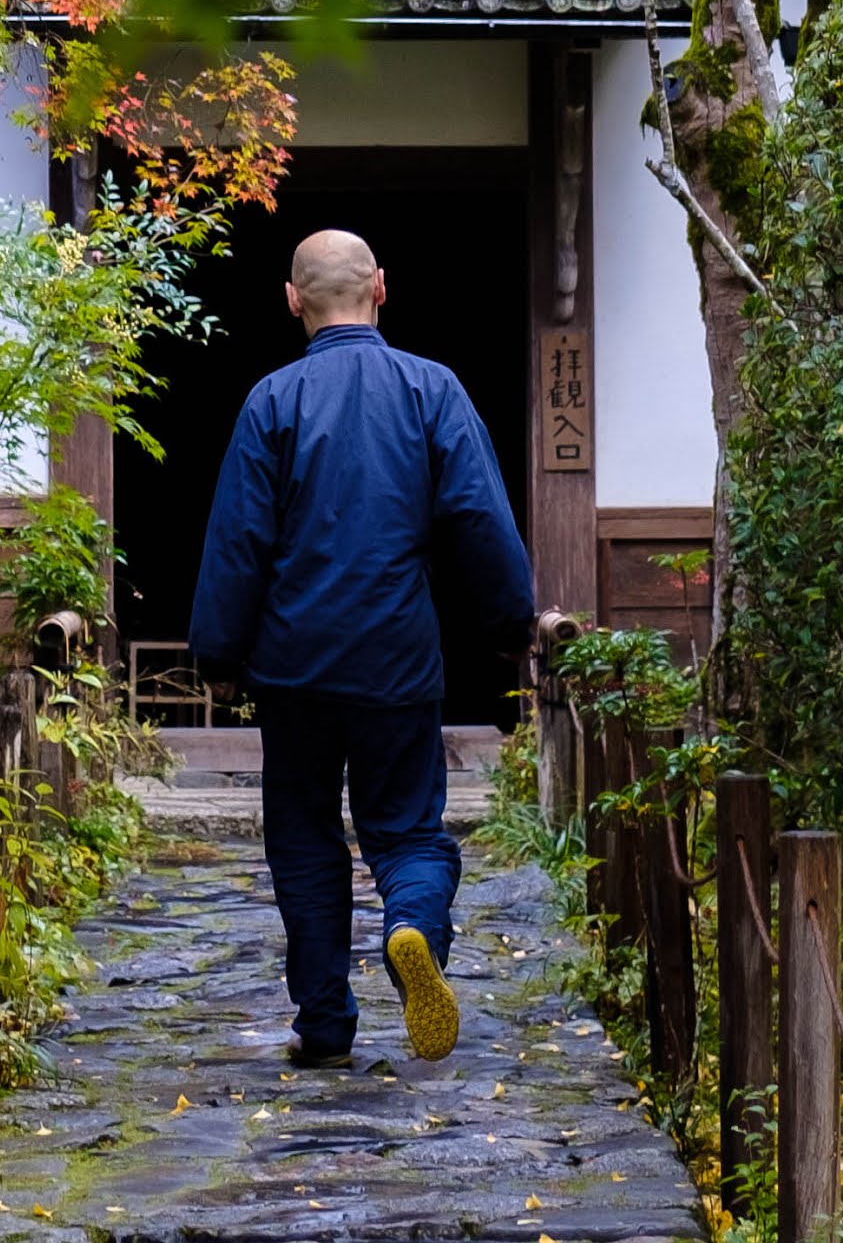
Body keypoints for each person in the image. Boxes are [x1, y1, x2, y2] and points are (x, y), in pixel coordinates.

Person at [190, 226, 535, 1069]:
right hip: (396, 656)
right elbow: (478, 516)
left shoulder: (271, 400)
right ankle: (411, 925)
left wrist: (218, 653)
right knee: (408, 830)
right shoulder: (432, 388)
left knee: (305, 837)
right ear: (381, 286)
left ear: (292, 299)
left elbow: (239, 538)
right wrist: (510, 622)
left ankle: (323, 1023)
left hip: (294, 665)